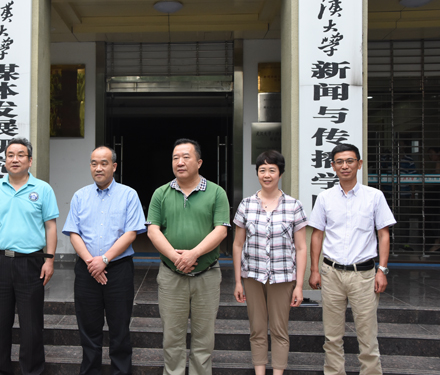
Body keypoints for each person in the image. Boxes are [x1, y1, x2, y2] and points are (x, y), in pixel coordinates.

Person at [308, 143, 396, 375]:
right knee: (332, 336)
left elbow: (383, 234)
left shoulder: (374, 196)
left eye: (349, 161)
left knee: (367, 335)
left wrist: (382, 270)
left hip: (364, 275)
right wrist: (314, 270)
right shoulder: (325, 198)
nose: (345, 166)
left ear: (359, 164)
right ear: (333, 166)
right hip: (331, 273)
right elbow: (317, 235)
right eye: (339, 162)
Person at [146, 138, 230, 375]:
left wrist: (194, 254)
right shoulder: (161, 193)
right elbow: (153, 230)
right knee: (172, 338)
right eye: (175, 158)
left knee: (204, 339)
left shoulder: (216, 192)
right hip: (171, 276)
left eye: (185, 157)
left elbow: (221, 230)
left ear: (199, 162)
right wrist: (176, 257)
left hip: (207, 275)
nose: (179, 162)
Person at [0, 137, 59, 375]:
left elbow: (51, 227)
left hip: (31, 262)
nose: (15, 159)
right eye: (10, 155)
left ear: (30, 160)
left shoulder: (43, 189)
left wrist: (49, 259)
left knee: (32, 324)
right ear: (4, 161)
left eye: (21, 155)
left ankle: (32, 370)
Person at [62, 146, 146, 375]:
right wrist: (92, 262)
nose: (98, 168)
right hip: (87, 270)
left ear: (114, 166)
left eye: (104, 163)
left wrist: (105, 260)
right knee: (88, 329)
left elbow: (131, 233)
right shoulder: (80, 196)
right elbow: (73, 233)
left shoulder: (128, 195)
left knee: (120, 329)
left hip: (118, 270)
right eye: (94, 163)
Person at [232, 150, 307, 375]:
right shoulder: (246, 205)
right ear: (257, 173)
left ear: (280, 173)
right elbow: (237, 245)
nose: (267, 175)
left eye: (272, 170)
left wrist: (299, 285)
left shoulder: (294, 206)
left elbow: (301, 248)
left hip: (283, 277)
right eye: (262, 170)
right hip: (253, 276)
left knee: (279, 330)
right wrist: (238, 281)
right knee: (256, 329)